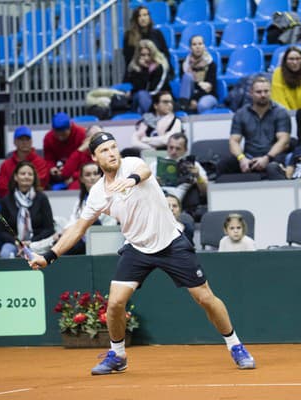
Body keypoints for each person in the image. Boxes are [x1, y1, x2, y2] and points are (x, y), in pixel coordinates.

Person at [28, 132, 255, 374]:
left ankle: (235, 345)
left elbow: (145, 171)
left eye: (114, 147)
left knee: (205, 298)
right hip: (137, 248)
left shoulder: (132, 165)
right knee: (114, 303)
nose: (112, 152)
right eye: (104, 150)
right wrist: (49, 255)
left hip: (171, 242)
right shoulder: (97, 194)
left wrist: (132, 180)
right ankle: (117, 355)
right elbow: (77, 229)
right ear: (94, 157)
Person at [219, 76, 291, 178]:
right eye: (259, 92)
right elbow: (233, 141)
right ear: (251, 93)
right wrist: (241, 159)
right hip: (248, 158)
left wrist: (267, 158)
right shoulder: (241, 113)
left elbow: (283, 141)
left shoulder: (281, 112)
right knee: (224, 164)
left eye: (266, 91)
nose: (263, 95)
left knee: (274, 166)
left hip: (273, 157)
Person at [0, 161, 55, 258]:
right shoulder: (6, 200)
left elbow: (49, 229)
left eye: (30, 174)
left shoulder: (42, 198)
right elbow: (2, 231)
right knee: (5, 253)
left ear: (34, 178)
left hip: (37, 243)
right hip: (14, 244)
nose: (26, 176)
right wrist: (17, 242)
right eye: (23, 173)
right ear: (16, 177)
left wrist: (31, 242)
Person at [58, 162, 118, 255]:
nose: (92, 177)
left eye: (95, 174)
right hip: (83, 239)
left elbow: (111, 225)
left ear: (101, 176)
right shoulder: (81, 200)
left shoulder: (110, 197)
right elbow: (73, 220)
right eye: (88, 175)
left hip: (104, 240)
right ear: (82, 179)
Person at [150, 133, 208, 210]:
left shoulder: (193, 166)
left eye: (178, 148)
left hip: (176, 204)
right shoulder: (155, 165)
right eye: (171, 148)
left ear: (185, 150)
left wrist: (198, 176)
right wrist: (154, 183)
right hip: (157, 201)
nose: (173, 151)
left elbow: (206, 192)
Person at [0, 126, 50, 199]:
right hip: (10, 202)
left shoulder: (41, 162)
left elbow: (40, 184)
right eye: (21, 139)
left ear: (31, 141)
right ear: (15, 142)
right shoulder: (5, 165)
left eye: (27, 139)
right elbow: (2, 188)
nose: (25, 142)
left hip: (34, 200)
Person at [122, 6, 171, 78]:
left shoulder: (157, 33)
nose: (143, 18)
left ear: (149, 17)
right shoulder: (129, 36)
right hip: (137, 71)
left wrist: (156, 63)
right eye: (139, 16)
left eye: (145, 15)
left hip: (156, 69)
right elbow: (128, 58)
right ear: (135, 19)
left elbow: (165, 54)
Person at [124, 40, 172, 114]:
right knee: (142, 94)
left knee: (141, 107)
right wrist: (144, 70)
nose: (146, 58)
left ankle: (151, 117)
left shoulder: (160, 67)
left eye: (149, 55)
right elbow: (139, 87)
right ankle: (152, 118)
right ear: (138, 55)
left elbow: (155, 89)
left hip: (158, 98)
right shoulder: (134, 68)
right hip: (140, 99)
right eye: (143, 55)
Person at [43, 112, 87, 190]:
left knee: (75, 186)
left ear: (70, 127)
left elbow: (87, 163)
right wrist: (52, 168)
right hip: (61, 171)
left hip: (79, 171)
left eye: (63, 134)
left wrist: (74, 176)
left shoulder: (81, 134)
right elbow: (49, 159)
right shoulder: (48, 138)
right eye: (57, 134)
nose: (60, 137)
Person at [178, 35, 218, 114]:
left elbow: (209, 87)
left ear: (204, 46)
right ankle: (184, 105)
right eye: (194, 44)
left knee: (202, 105)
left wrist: (195, 99)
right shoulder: (184, 65)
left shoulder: (211, 64)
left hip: (208, 95)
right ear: (190, 48)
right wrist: (200, 84)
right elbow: (185, 87)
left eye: (200, 44)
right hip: (189, 96)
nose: (197, 47)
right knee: (187, 76)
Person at [271, 45, 301, 111]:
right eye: (291, 59)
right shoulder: (278, 73)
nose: (295, 62)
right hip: (285, 114)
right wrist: (289, 114)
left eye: (298, 59)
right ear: (285, 60)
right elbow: (278, 98)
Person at [62, 124, 103, 190]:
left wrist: (74, 176)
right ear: (86, 140)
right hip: (82, 184)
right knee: (74, 186)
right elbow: (65, 174)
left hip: (103, 182)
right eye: (93, 138)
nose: (97, 141)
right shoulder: (80, 153)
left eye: (99, 137)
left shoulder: (106, 152)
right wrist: (81, 149)